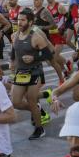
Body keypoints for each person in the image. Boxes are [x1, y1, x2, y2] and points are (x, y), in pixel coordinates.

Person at [10, 9, 53, 140]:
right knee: (15, 102)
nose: (19, 22)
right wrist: (12, 61)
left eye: (23, 20)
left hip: (35, 71)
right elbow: (14, 49)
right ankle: (37, 109)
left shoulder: (36, 37)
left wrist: (34, 58)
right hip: (21, 72)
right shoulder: (15, 35)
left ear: (30, 22)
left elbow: (48, 54)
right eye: (18, 20)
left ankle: (39, 129)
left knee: (31, 99)